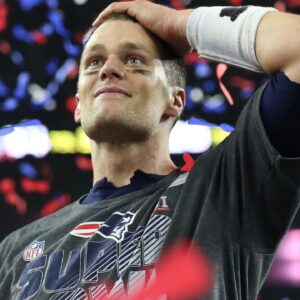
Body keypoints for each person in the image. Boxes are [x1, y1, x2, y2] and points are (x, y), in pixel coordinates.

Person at [0, 0, 300, 299]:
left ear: (176, 100)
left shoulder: (224, 190)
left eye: (133, 60)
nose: (109, 69)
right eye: (94, 62)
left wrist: (184, 24)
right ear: (78, 105)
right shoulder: (16, 250)